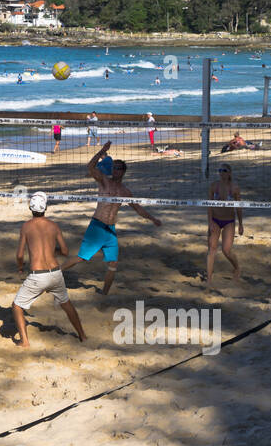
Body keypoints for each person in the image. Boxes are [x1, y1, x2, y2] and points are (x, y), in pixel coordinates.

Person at [61, 141, 162, 296]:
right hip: (97, 226)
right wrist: (102, 150)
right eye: (114, 167)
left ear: (123, 172)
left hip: (110, 230)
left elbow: (138, 208)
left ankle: (104, 294)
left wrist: (153, 219)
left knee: (113, 263)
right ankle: (53, 274)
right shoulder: (104, 181)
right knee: (82, 258)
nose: (116, 170)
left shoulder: (124, 191)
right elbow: (90, 167)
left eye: (119, 168)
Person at [11, 191, 84, 350]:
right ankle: (82, 336)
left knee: (17, 306)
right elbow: (65, 251)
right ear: (46, 207)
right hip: (55, 273)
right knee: (67, 304)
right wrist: (51, 252)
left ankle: (24, 342)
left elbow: (19, 254)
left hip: (38, 276)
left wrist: (20, 267)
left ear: (30, 208)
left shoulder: (26, 227)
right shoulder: (53, 226)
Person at [205, 164, 243, 283]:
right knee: (212, 249)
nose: (221, 172)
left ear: (229, 173)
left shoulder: (235, 188)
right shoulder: (214, 186)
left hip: (228, 221)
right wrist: (210, 222)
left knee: (226, 250)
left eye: (224, 170)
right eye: (219, 170)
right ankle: (209, 280)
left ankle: (237, 268)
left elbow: (239, 207)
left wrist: (241, 224)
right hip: (215, 220)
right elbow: (209, 205)